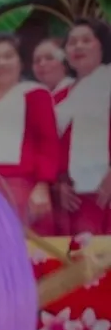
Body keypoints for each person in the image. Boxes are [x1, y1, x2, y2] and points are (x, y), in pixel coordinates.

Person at [0, 33, 60, 228]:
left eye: (8, 56)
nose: (1, 63)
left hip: (23, 188)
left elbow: (48, 142)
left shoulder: (35, 95)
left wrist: (43, 186)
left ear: (20, 62)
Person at [57, 19, 111, 233]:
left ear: (102, 46)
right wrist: (58, 185)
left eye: (86, 40)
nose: (78, 46)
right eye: (72, 42)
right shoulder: (59, 98)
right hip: (71, 199)